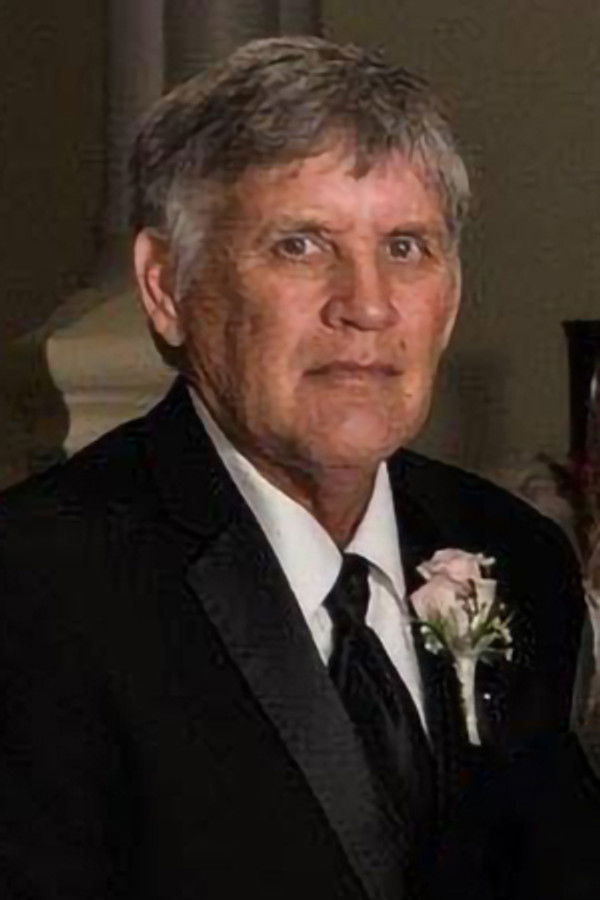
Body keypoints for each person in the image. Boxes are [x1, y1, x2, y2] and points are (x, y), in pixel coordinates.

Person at [0, 36, 586, 900]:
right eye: (301, 245)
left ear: (452, 297)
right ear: (166, 287)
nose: (368, 305)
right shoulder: (35, 588)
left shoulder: (516, 553)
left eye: (406, 247)